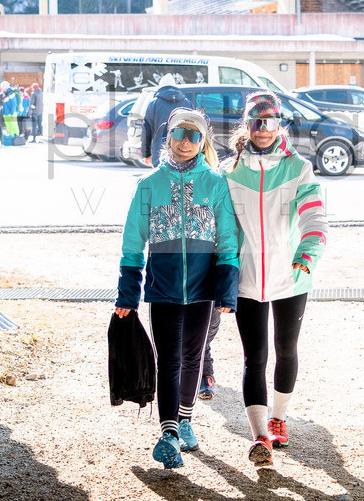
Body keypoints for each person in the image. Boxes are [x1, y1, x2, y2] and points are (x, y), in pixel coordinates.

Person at [114, 109, 240, 470]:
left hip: (203, 289)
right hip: (163, 287)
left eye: (194, 135)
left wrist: (226, 289)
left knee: (192, 358)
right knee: (167, 359)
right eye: (180, 133)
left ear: (203, 142)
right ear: (168, 137)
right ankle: (167, 432)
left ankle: (185, 420)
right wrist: (128, 293)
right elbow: (133, 242)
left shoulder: (215, 183)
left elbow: (228, 239)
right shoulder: (149, 184)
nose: (186, 141)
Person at [223, 91, 328, 468]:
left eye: (269, 122)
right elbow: (224, 227)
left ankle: (279, 418)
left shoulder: (298, 168)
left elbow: (315, 216)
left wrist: (308, 254)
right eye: (255, 122)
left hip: (291, 276)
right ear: (246, 125)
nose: (263, 130)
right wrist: (224, 268)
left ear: (279, 123)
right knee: (255, 357)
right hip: (247, 279)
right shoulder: (230, 171)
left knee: (286, 349)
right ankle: (259, 436)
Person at [142, 74, 191, 168]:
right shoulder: (187, 102)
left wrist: (146, 154)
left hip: (160, 150)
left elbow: (147, 130)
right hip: (184, 150)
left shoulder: (154, 103)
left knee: (160, 179)